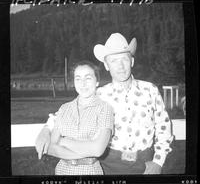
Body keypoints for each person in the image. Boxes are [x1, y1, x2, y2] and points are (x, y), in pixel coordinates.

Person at [36, 33, 173, 175]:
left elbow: (163, 127)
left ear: (131, 61)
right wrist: (46, 131)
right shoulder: (100, 94)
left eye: (124, 60)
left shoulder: (150, 90)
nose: (120, 66)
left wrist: (158, 161)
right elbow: (62, 114)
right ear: (107, 66)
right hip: (108, 165)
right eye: (114, 61)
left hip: (145, 164)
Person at [37, 61, 114, 175]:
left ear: (97, 81)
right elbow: (51, 147)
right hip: (62, 171)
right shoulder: (64, 108)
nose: (82, 83)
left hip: (90, 171)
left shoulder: (105, 109)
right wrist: (88, 150)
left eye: (88, 78)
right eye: (78, 79)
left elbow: (98, 150)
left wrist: (64, 141)